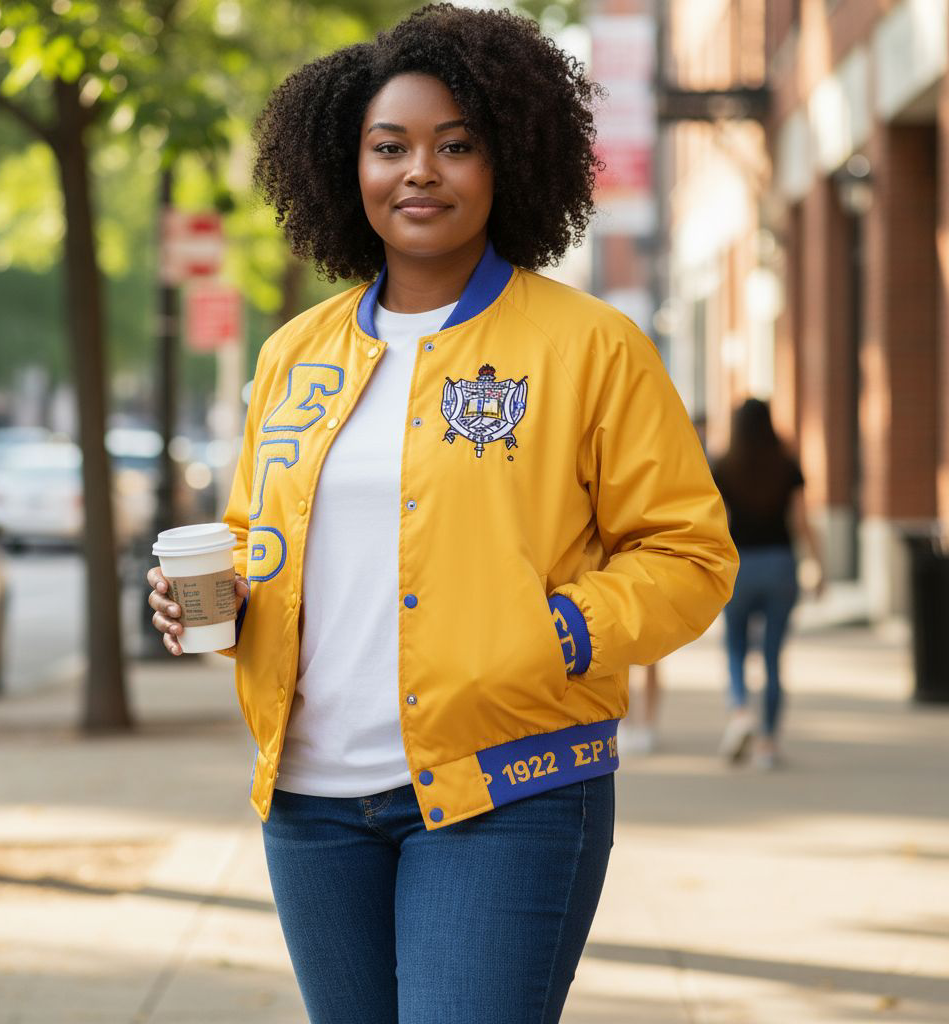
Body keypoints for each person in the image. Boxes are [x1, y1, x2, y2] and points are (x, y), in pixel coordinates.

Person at [147, 6, 738, 1021]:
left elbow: (689, 554)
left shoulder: (590, 346)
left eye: (455, 146)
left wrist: (556, 630)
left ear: (508, 161)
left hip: (509, 787)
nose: (419, 171)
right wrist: (223, 599)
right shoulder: (293, 354)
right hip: (310, 803)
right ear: (348, 167)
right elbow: (256, 536)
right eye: (390, 147)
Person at [710, 398, 825, 771]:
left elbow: (715, 522)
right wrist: (818, 565)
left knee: (735, 646)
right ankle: (768, 744)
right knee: (774, 657)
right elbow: (801, 520)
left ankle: (740, 711)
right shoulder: (786, 465)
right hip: (780, 564)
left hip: (739, 566)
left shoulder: (724, 466)